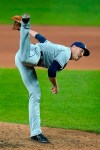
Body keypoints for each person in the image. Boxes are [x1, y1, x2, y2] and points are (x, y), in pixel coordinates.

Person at [12, 14, 90, 143]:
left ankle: (35, 133)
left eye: (83, 54)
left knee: (35, 94)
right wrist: (55, 85)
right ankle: (26, 23)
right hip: (31, 55)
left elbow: (41, 38)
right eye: (81, 51)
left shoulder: (57, 49)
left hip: (24, 59)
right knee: (27, 57)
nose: (81, 55)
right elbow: (51, 70)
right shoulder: (66, 53)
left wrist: (21, 29)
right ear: (74, 47)